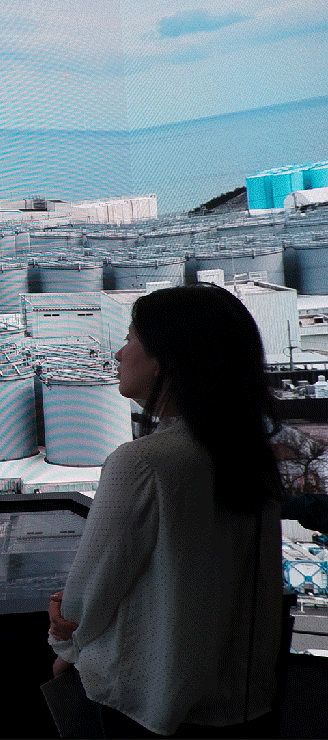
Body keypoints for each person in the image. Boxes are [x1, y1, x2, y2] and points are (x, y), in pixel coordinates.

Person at [47, 283, 283, 738]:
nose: (119, 353)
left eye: (130, 339)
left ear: (166, 361)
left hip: (146, 708)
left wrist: (65, 649)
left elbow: (86, 596)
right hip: (244, 704)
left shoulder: (143, 462)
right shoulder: (247, 454)